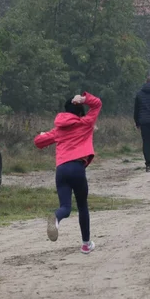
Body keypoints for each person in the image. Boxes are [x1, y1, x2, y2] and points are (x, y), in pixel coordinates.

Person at [34, 92, 103, 254]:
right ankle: (86, 244)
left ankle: (56, 218)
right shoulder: (85, 123)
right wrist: (85, 99)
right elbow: (98, 103)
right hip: (77, 169)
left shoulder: (58, 129)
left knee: (65, 206)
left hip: (61, 170)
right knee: (82, 205)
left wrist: (43, 134)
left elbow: (38, 142)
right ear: (80, 112)